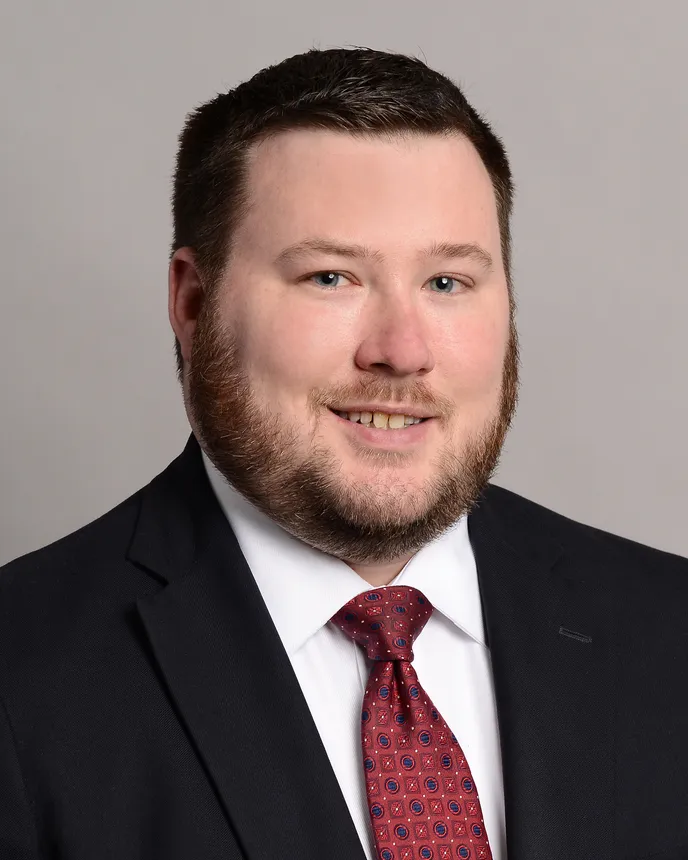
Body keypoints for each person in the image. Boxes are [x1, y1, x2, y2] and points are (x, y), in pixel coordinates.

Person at [1, 46, 686, 860]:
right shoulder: (25, 676)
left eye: (447, 283)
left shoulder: (668, 633)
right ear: (191, 301)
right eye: (331, 278)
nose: (401, 351)